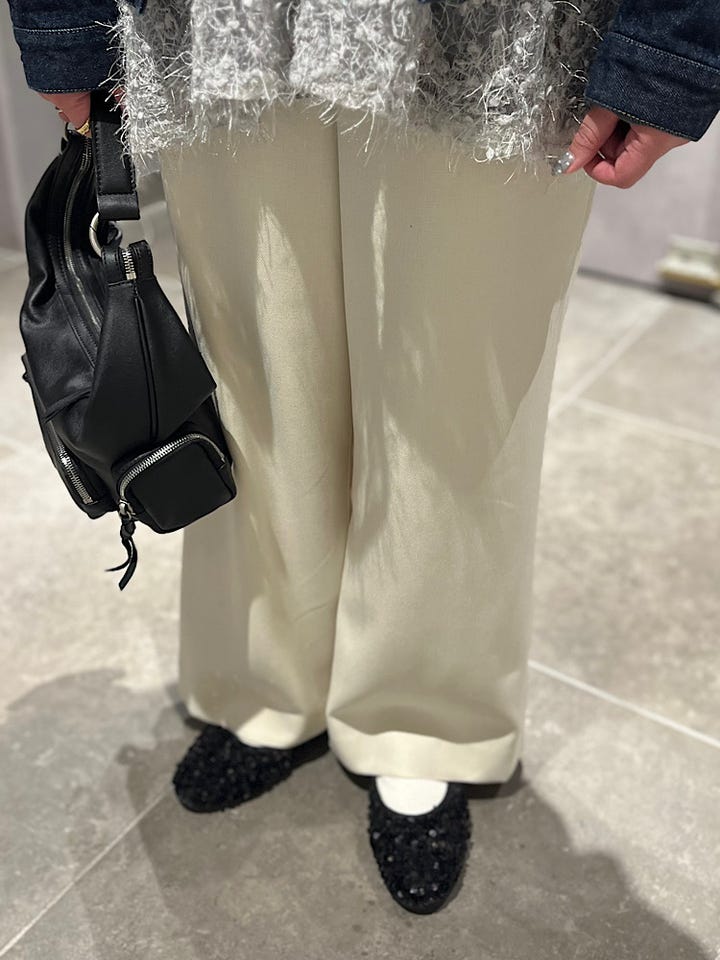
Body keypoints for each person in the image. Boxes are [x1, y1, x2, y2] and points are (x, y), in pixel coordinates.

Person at [7, 0, 720, 915]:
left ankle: (421, 715)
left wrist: (671, 48)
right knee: (254, 379)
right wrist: (63, 25)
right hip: (221, 20)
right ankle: (270, 671)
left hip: (505, 27)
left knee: (455, 402)